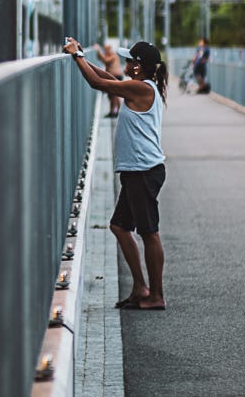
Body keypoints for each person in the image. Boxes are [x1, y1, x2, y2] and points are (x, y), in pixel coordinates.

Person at [66, 37, 171, 311]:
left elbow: (99, 83)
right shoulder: (140, 86)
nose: (125, 63)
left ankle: (156, 295)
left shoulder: (141, 89)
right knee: (120, 226)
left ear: (138, 67)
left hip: (144, 171)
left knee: (149, 232)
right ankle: (140, 287)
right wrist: (81, 57)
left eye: (129, 60)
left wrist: (77, 57)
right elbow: (106, 77)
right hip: (137, 170)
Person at [98, 42, 125, 117]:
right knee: (111, 95)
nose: (106, 51)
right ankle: (113, 111)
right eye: (105, 50)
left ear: (110, 49)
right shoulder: (108, 55)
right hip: (111, 76)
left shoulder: (113, 56)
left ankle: (117, 111)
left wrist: (99, 51)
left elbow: (106, 61)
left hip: (116, 76)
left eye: (107, 50)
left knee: (114, 95)